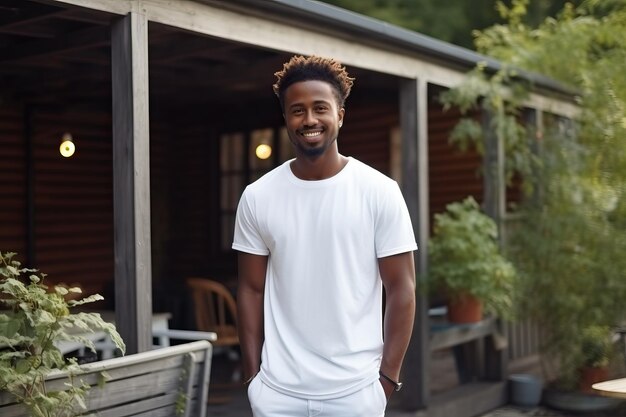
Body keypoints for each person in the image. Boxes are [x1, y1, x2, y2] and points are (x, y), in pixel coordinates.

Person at [233, 55, 417, 417]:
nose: (310, 120)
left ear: (340, 115)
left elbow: (403, 288)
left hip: (356, 391)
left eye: (320, 108)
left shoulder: (378, 190)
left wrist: (386, 382)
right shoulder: (258, 196)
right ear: (286, 118)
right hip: (276, 393)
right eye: (297, 110)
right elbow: (250, 290)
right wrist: (253, 378)